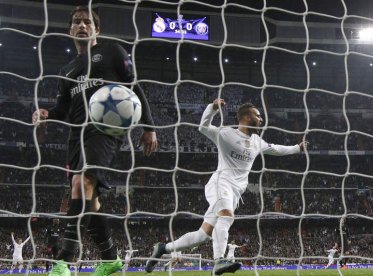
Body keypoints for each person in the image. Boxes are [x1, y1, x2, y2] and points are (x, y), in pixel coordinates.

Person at [32, 6, 158, 276]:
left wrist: (149, 126)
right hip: (76, 136)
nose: (81, 25)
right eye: (76, 21)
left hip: (105, 130)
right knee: (89, 198)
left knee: (82, 182)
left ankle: (62, 261)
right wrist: (46, 114)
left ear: (96, 29)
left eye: (87, 22)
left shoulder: (112, 52)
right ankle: (110, 258)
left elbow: (134, 86)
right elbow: (63, 110)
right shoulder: (66, 70)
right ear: (70, 29)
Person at [145, 99, 306, 275]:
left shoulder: (256, 141)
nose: (261, 119)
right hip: (220, 183)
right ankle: (219, 260)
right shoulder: (226, 134)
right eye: (257, 115)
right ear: (245, 117)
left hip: (235, 192)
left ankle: (162, 248)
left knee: (202, 236)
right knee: (227, 217)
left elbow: (277, 149)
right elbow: (203, 127)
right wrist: (212, 109)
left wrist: (298, 148)